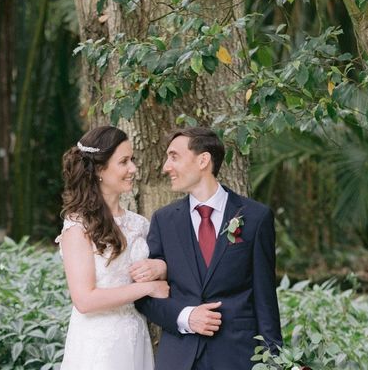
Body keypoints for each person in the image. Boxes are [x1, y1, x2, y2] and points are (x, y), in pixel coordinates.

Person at [134, 127, 282, 370]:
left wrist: (273, 361)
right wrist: (186, 317)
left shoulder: (256, 217)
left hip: (239, 357)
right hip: (179, 359)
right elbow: (144, 298)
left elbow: (265, 299)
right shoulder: (164, 220)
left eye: (174, 157)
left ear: (203, 160)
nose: (165, 167)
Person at [56, 126, 169, 370]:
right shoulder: (77, 228)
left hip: (136, 336)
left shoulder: (139, 224)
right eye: (124, 162)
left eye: (133, 160)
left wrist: (159, 268)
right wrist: (147, 288)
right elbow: (84, 299)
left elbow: (165, 270)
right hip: (98, 343)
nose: (133, 169)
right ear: (99, 169)